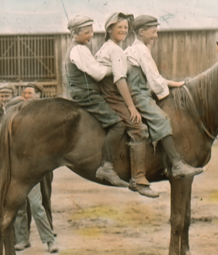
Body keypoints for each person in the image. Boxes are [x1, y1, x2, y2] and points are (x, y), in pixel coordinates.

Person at [125, 15, 204, 179]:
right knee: (161, 119)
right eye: (153, 32)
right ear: (141, 32)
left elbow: (154, 78)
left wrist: (171, 83)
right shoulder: (141, 51)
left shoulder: (133, 49)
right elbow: (154, 80)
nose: (156, 36)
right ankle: (176, 164)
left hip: (138, 91)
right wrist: (165, 92)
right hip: (138, 95)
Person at [95, 12, 158, 198]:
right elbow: (120, 80)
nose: (123, 30)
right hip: (113, 95)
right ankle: (138, 178)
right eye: (119, 27)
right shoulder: (115, 50)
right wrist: (131, 107)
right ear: (109, 29)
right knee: (138, 127)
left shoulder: (106, 48)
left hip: (108, 93)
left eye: (125, 28)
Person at [65, 15, 131, 188]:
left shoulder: (82, 48)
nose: (91, 35)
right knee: (118, 124)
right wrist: (118, 68)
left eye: (92, 31)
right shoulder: (78, 50)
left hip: (88, 92)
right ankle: (107, 166)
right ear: (74, 33)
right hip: (87, 94)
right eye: (86, 32)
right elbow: (98, 73)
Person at [13, 82, 57, 253]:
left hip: (38, 166)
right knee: (20, 206)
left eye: (30, 93)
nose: (26, 96)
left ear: (39, 95)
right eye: (24, 93)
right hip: (20, 169)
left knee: (38, 205)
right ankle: (23, 239)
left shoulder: (44, 114)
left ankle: (49, 240)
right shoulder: (19, 115)